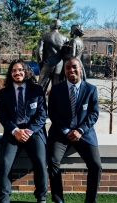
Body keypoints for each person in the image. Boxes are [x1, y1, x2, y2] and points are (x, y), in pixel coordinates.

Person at [47, 58, 102, 203]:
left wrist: (81, 130)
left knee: (96, 165)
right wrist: (66, 131)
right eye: (67, 68)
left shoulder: (91, 89)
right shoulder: (57, 89)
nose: (71, 70)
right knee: (53, 161)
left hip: (84, 133)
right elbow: (52, 112)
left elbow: (94, 113)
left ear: (81, 68)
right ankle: (58, 199)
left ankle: (90, 200)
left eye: (74, 67)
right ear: (64, 71)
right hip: (60, 133)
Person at [0, 59, 48, 203]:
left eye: (20, 70)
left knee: (40, 161)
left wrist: (28, 131)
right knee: (6, 162)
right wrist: (15, 131)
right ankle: (4, 198)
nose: (17, 73)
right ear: (10, 73)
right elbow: (3, 117)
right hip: (13, 132)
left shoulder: (37, 90)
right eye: (13, 70)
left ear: (26, 71)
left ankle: (41, 197)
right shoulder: (5, 92)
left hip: (34, 131)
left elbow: (42, 115)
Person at [36, 19, 69, 92]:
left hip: (47, 64)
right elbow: (66, 55)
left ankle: (39, 103)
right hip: (59, 67)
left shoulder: (44, 37)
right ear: (59, 27)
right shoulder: (65, 39)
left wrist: (40, 63)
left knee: (40, 88)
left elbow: (38, 52)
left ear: (50, 26)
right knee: (57, 90)